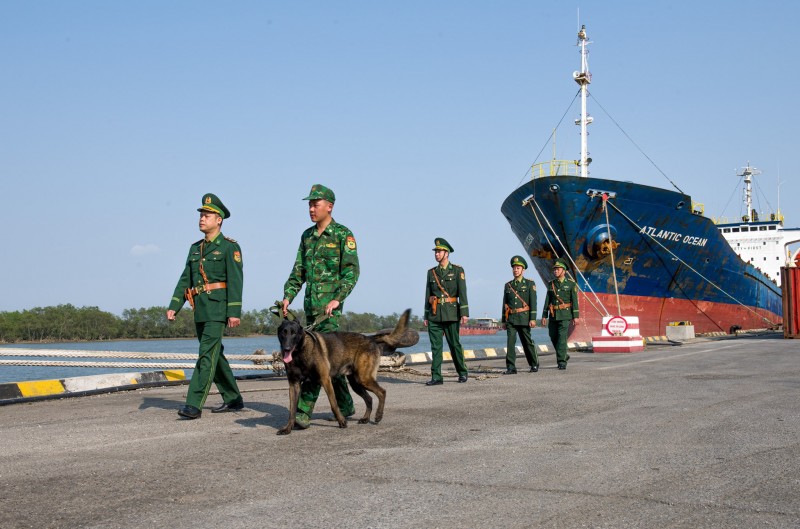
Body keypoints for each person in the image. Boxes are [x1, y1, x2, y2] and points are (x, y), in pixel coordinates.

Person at [282, 184, 359, 429]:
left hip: (329, 311)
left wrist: (338, 299)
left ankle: (303, 411)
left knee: (314, 362)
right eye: (309, 204)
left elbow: (351, 272)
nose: (311, 208)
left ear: (330, 206)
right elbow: (299, 271)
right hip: (310, 308)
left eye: (315, 204)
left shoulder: (342, 234)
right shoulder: (307, 236)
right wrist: (288, 296)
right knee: (331, 363)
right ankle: (345, 405)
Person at [167, 193, 245, 419]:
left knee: (205, 355)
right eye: (201, 214)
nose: (202, 218)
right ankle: (233, 398)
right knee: (215, 355)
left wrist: (234, 312)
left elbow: (236, 280)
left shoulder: (230, 247)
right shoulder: (195, 249)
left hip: (218, 309)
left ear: (219, 219)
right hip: (200, 309)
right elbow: (185, 279)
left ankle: (194, 404)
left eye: (207, 215)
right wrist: (175, 305)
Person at [424, 238, 469, 385]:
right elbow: (427, 295)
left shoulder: (457, 270)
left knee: (454, 344)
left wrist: (464, 313)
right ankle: (436, 377)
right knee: (435, 347)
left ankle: (462, 372)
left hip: (451, 313)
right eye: (436, 252)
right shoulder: (431, 273)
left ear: (446, 253)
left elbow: (462, 292)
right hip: (435, 315)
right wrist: (426, 315)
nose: (436, 254)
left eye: (439, 251)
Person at [541, 258, 581, 370]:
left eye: (558, 269)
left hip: (565, 315)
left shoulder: (571, 284)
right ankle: (564, 354)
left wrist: (575, 316)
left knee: (562, 338)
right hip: (553, 315)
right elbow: (547, 300)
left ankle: (561, 361)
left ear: (564, 271)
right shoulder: (551, 284)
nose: (555, 271)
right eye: (555, 269)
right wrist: (544, 315)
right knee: (553, 336)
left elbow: (574, 301)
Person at [501, 255, 538, 374]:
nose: (515, 270)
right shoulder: (508, 285)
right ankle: (511, 367)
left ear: (523, 270)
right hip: (511, 318)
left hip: (524, 318)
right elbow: (505, 304)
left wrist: (532, 319)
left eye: (518, 268)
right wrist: (503, 320)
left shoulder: (529, 284)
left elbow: (533, 303)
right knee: (510, 343)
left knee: (527, 342)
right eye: (514, 268)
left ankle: (534, 364)